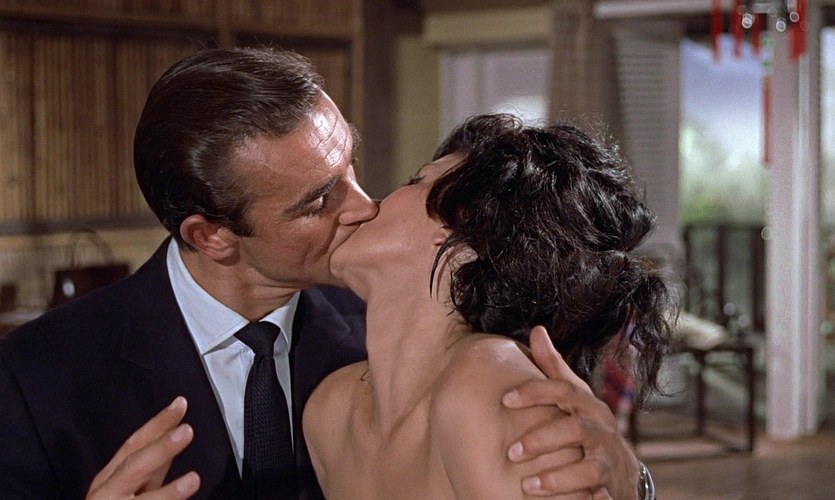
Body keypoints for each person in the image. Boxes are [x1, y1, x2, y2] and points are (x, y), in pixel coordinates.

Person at [0, 47, 649, 499]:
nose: (363, 206)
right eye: (318, 201)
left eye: (353, 170)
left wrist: (632, 484)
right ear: (211, 236)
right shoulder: (34, 378)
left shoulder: (452, 363)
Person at [304, 114, 673, 498]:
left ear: (464, 232)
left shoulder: (489, 386)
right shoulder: (331, 409)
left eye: (417, 180)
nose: (369, 203)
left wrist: (636, 487)